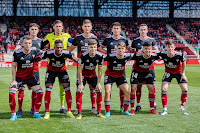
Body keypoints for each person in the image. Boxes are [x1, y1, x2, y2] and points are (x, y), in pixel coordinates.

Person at [68, 19, 103, 114]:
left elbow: (99, 50)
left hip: (92, 68)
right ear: (82, 27)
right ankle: (77, 108)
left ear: (91, 27)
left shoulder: (95, 38)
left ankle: (93, 108)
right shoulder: (78, 38)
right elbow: (69, 50)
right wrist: (73, 57)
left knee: (93, 88)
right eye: (85, 26)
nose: (87, 28)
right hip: (81, 68)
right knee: (79, 87)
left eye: (88, 26)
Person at [41, 20, 74, 114]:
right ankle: (47, 109)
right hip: (51, 65)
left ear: (62, 27)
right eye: (57, 26)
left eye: (60, 26)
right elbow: (41, 45)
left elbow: (75, 42)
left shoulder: (67, 36)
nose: (58, 28)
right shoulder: (49, 36)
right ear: (53, 27)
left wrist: (68, 51)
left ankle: (62, 106)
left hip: (63, 66)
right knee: (48, 87)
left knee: (62, 87)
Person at [9, 35, 43, 121]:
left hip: (31, 77)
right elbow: (13, 66)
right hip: (19, 78)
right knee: (11, 93)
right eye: (26, 43)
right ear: (22, 44)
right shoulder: (17, 53)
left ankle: (36, 113)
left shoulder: (35, 51)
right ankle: (13, 114)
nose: (28, 45)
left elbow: (44, 54)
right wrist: (13, 81)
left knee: (40, 93)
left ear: (32, 44)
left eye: (29, 43)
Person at [41, 40, 77, 119]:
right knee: (48, 90)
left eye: (61, 47)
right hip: (51, 72)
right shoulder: (49, 52)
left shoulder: (67, 53)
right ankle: (47, 112)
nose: (59, 49)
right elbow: (39, 58)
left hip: (62, 72)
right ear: (54, 48)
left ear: (63, 48)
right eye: (57, 47)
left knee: (67, 89)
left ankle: (69, 111)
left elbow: (76, 60)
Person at [100, 22, 131, 112]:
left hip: (121, 69)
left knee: (123, 90)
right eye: (115, 28)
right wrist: (106, 53)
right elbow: (101, 47)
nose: (116, 30)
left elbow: (129, 49)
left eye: (118, 28)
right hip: (110, 67)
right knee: (108, 91)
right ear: (112, 29)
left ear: (120, 30)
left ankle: (122, 106)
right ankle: (108, 110)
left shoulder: (124, 40)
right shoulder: (108, 39)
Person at [15, 23, 43, 116]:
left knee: (35, 90)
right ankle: (19, 109)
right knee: (21, 89)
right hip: (23, 69)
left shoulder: (41, 41)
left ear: (38, 30)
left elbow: (43, 53)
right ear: (29, 30)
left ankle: (33, 109)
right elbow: (17, 49)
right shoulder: (24, 40)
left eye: (35, 29)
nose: (34, 31)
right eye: (32, 29)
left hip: (35, 70)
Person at [131, 24, 158, 113]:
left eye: (144, 29)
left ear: (147, 30)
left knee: (151, 86)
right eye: (141, 30)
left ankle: (153, 105)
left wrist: (148, 52)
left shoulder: (152, 40)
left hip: (149, 68)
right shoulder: (135, 41)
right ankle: (138, 105)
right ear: (139, 31)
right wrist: (138, 52)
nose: (143, 31)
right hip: (138, 67)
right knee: (137, 86)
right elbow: (131, 52)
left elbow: (157, 51)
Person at [76, 39, 105, 119]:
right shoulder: (83, 56)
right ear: (88, 47)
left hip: (93, 74)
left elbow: (99, 71)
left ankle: (98, 112)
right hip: (83, 75)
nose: (93, 49)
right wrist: (81, 83)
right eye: (91, 47)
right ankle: (79, 113)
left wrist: (98, 83)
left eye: (94, 47)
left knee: (99, 90)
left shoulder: (100, 56)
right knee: (79, 90)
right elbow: (79, 70)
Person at [159, 40, 189, 115]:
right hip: (168, 73)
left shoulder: (179, 54)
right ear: (166, 47)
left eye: (171, 47)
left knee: (185, 88)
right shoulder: (163, 54)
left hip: (178, 73)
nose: (170, 49)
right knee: (164, 89)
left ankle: (182, 105)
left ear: (174, 47)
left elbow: (184, 62)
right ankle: (164, 109)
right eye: (168, 47)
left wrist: (183, 74)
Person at [104, 42, 133, 117]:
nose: (120, 50)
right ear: (116, 49)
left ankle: (125, 110)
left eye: (122, 48)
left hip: (120, 76)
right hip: (109, 76)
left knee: (127, 91)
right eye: (119, 48)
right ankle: (107, 111)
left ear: (125, 49)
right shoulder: (110, 56)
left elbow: (136, 56)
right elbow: (100, 59)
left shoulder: (127, 56)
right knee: (107, 92)